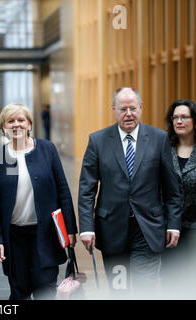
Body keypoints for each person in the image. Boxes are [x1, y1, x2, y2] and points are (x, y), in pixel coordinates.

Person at [78, 87, 182, 298]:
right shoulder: (98, 141)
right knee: (120, 289)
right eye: (123, 109)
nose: (128, 114)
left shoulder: (158, 138)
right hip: (112, 231)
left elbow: (172, 189)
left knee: (146, 289)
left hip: (147, 229)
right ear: (114, 110)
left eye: (133, 108)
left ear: (141, 108)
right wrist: (87, 228)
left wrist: (173, 224)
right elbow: (86, 189)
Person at [0, 103, 77, 300]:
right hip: (14, 237)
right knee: (19, 291)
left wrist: (70, 229)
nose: (16, 125)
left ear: (29, 124)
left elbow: (63, 189)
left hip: (44, 234)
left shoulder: (47, 149)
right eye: (10, 121)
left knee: (45, 289)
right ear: (3, 127)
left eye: (21, 120)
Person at [160, 99, 196, 298]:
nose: (179, 121)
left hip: (194, 228)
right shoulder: (163, 146)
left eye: (184, 117)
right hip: (169, 228)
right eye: (175, 117)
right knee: (170, 280)